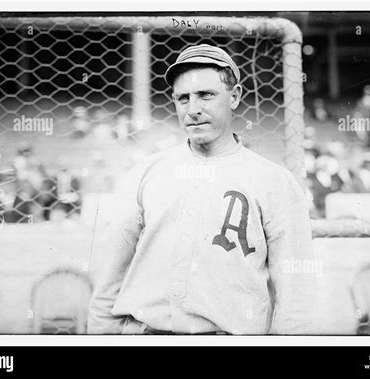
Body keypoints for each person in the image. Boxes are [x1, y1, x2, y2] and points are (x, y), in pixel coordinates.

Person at [88, 44, 317, 335]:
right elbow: (109, 284)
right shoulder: (146, 172)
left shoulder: (275, 182)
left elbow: (296, 302)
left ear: (234, 96)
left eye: (206, 95)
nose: (193, 109)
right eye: (183, 98)